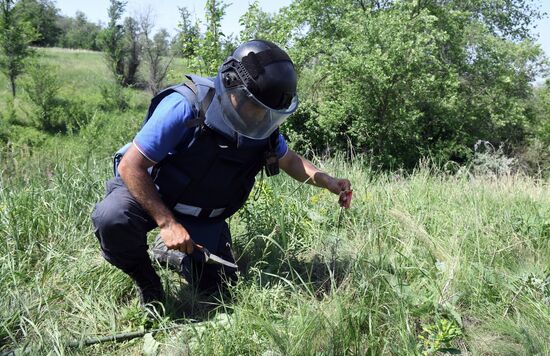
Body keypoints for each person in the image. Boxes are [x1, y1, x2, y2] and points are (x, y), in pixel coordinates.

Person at [91, 39, 351, 307]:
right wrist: (168, 224)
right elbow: (130, 166)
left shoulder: (261, 125)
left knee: (220, 293)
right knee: (113, 218)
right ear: (233, 87)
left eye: (269, 113)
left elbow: (290, 161)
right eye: (258, 108)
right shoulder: (187, 105)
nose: (263, 118)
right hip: (155, 194)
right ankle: (147, 281)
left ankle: (172, 253)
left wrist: (328, 181)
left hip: (204, 216)